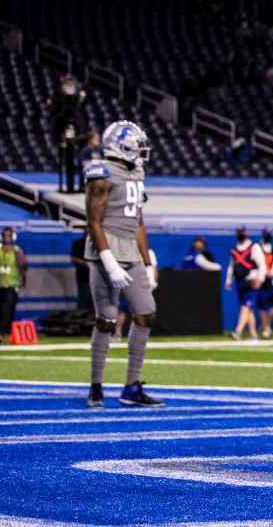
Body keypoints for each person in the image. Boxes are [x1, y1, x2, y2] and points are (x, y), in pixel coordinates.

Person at [83, 120, 163, 408]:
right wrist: (108, 261)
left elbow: (138, 218)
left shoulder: (137, 171)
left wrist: (147, 259)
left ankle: (131, 386)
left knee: (146, 314)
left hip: (131, 250)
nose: (141, 152)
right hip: (106, 250)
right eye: (136, 146)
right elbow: (92, 221)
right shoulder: (101, 173)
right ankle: (96, 387)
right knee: (105, 320)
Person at [46, 73, 86, 193]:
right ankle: (69, 186)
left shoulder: (79, 93)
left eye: (71, 80)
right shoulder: (58, 94)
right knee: (68, 157)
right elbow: (55, 109)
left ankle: (82, 185)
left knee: (81, 159)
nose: (69, 82)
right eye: (67, 80)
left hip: (76, 128)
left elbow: (80, 111)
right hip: (65, 127)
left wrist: (82, 99)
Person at [224, 226, 267, 341]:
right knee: (248, 309)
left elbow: (262, 264)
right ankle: (253, 334)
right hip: (239, 281)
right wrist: (228, 280)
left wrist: (260, 279)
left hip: (251, 281)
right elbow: (231, 265)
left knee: (245, 307)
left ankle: (238, 331)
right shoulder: (235, 249)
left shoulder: (254, 247)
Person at [256, 230, 273, 339]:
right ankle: (266, 329)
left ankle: (265, 324)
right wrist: (262, 274)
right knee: (262, 306)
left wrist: (271, 273)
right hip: (260, 280)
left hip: (270, 281)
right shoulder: (257, 248)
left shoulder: (272, 250)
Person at [70, 226, 92, 312]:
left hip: (94, 276)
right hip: (82, 275)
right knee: (83, 296)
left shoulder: (95, 244)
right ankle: (80, 316)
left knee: (92, 299)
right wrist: (84, 263)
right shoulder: (79, 243)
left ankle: (92, 317)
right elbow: (73, 257)